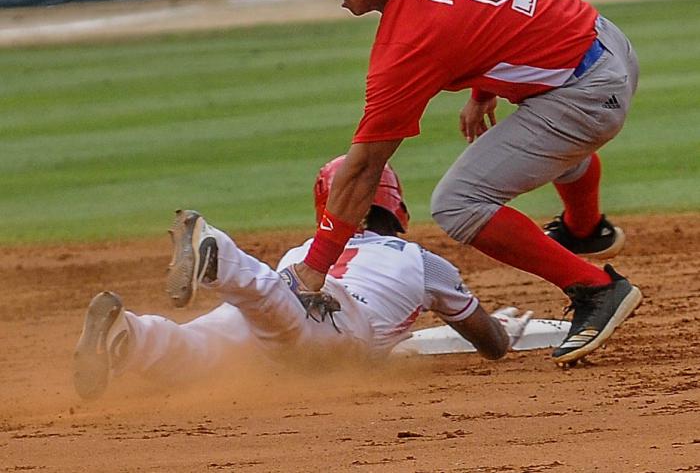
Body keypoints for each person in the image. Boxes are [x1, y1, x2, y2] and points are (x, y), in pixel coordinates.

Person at [290, 0, 643, 367]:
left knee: (458, 204)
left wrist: (313, 269)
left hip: (586, 97)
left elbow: (363, 169)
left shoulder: (409, 42)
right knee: (545, 140)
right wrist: (483, 90)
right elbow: (504, 15)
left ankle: (596, 289)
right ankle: (586, 229)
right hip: (608, 43)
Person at [73, 157, 533, 400]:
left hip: (287, 299)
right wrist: (496, 329)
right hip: (336, 321)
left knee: (196, 350)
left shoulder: (308, 249)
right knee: (279, 314)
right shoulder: (420, 260)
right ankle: (217, 252)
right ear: (395, 206)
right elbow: (492, 345)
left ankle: (129, 334)